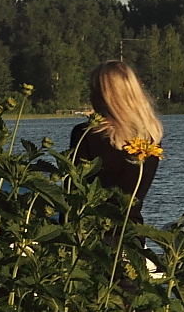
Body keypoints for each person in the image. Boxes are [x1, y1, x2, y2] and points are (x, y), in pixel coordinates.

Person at [69, 61, 163, 225]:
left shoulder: (86, 134)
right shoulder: (150, 137)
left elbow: (72, 191)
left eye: (93, 90)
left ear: (102, 95)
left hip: (90, 233)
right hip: (131, 233)